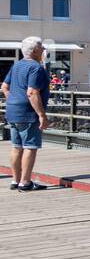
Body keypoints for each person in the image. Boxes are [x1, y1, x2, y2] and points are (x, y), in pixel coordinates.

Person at [3, 36, 50, 192]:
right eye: (42, 47)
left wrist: (14, 100)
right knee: (30, 146)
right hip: (28, 112)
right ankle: (25, 182)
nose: (43, 49)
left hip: (12, 110)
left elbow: (4, 87)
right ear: (35, 50)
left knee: (16, 146)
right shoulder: (36, 68)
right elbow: (32, 92)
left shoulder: (16, 66)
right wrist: (42, 115)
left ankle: (15, 181)